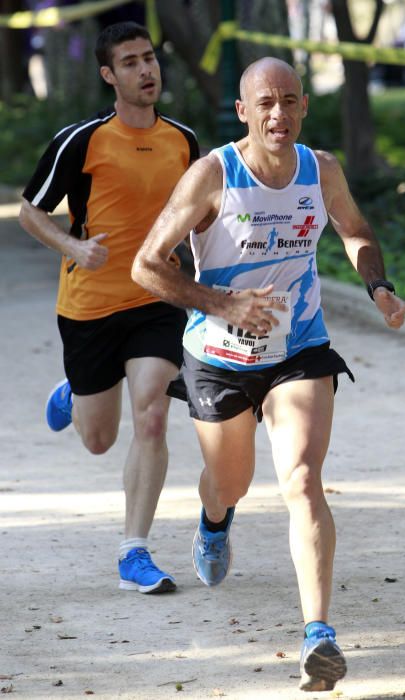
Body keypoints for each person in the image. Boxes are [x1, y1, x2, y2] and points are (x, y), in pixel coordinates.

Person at [132, 57, 405, 691]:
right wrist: (224, 304)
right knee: (232, 483)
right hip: (220, 356)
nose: (278, 114)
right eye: (265, 104)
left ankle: (319, 634)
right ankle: (214, 518)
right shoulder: (213, 176)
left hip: (297, 347)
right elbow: (147, 265)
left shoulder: (321, 170)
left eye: (289, 101)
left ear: (305, 106)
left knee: (304, 480)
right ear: (243, 112)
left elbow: (356, 231)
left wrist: (380, 287)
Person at [19, 21, 199, 594]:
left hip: (156, 300)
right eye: (130, 63)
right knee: (98, 439)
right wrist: (74, 246)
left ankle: (134, 551)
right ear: (108, 75)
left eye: (150, 58)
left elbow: (201, 218)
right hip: (90, 306)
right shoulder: (83, 140)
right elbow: (30, 210)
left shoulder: (184, 141)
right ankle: (75, 389)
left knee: (151, 413)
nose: (146, 70)